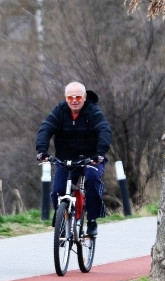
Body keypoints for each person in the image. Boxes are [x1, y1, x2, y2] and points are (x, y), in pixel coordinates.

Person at [36, 82, 111, 237]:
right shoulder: (60, 111)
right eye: (70, 97)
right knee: (58, 190)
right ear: (66, 98)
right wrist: (42, 150)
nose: (74, 100)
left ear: (85, 97)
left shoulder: (93, 111)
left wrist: (100, 153)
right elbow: (46, 128)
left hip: (91, 158)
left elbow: (104, 129)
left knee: (92, 179)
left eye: (78, 97)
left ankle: (92, 219)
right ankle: (63, 219)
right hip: (66, 159)